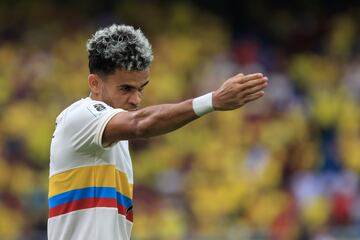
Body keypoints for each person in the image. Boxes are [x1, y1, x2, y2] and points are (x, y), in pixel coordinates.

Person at [47, 24, 268, 240]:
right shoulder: (81, 116)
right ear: (95, 83)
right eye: (125, 89)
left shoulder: (110, 136)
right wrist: (212, 100)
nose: (136, 99)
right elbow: (140, 124)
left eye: (141, 89)